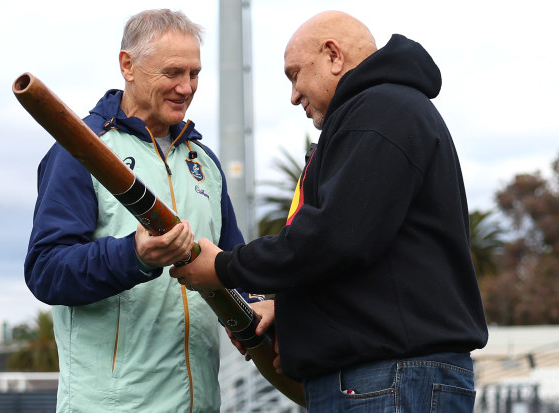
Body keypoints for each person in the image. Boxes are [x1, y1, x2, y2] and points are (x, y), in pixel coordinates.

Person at [171, 10, 489, 412]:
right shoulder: (385, 111)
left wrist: (223, 268)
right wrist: (292, 314)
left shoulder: (379, 112)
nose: (293, 95)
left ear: (333, 55)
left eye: (294, 74)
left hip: (388, 378)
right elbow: (365, 258)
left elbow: (334, 238)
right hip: (387, 377)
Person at [24, 9, 263, 413]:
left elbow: (231, 268)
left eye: (194, 73)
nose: (186, 88)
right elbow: (46, 271)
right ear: (127, 65)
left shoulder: (205, 163)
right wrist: (133, 257)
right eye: (173, 72)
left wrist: (258, 307)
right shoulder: (79, 149)